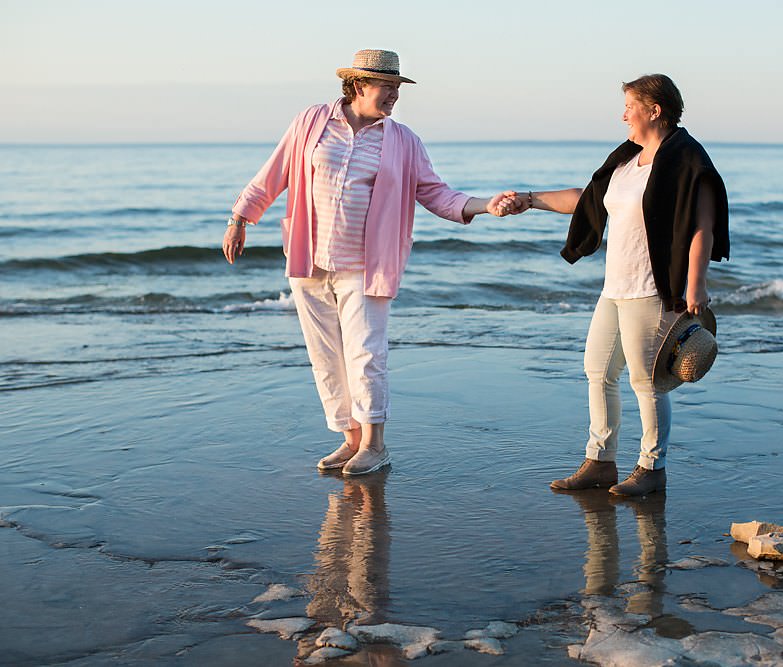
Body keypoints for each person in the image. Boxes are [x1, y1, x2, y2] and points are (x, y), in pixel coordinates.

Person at [223, 49, 515, 476]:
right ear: (359, 85)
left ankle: (376, 445)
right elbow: (274, 173)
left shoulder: (403, 140)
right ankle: (351, 440)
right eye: (388, 87)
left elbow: (437, 194)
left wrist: (486, 205)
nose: (395, 94)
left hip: (366, 265)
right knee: (326, 357)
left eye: (398, 87)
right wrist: (240, 218)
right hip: (309, 261)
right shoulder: (311, 122)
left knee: (366, 354)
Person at [501, 74, 730, 496]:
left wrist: (695, 285)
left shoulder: (686, 160)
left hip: (653, 288)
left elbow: (703, 226)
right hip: (615, 288)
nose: (622, 114)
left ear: (654, 110)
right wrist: (531, 200)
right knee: (599, 371)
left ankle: (652, 468)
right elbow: (587, 200)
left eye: (629, 106)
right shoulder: (626, 158)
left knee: (647, 381)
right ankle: (600, 462)